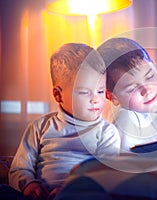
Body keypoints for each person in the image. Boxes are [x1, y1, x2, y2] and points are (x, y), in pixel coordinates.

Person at [8, 43, 120, 200]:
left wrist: (73, 189)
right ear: (58, 95)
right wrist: (28, 185)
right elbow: (19, 167)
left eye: (100, 91)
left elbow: (106, 175)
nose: (95, 99)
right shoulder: (40, 127)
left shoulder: (107, 133)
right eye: (84, 92)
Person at [97, 37, 157, 152]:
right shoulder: (125, 121)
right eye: (132, 89)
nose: (147, 90)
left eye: (149, 77)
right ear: (113, 97)